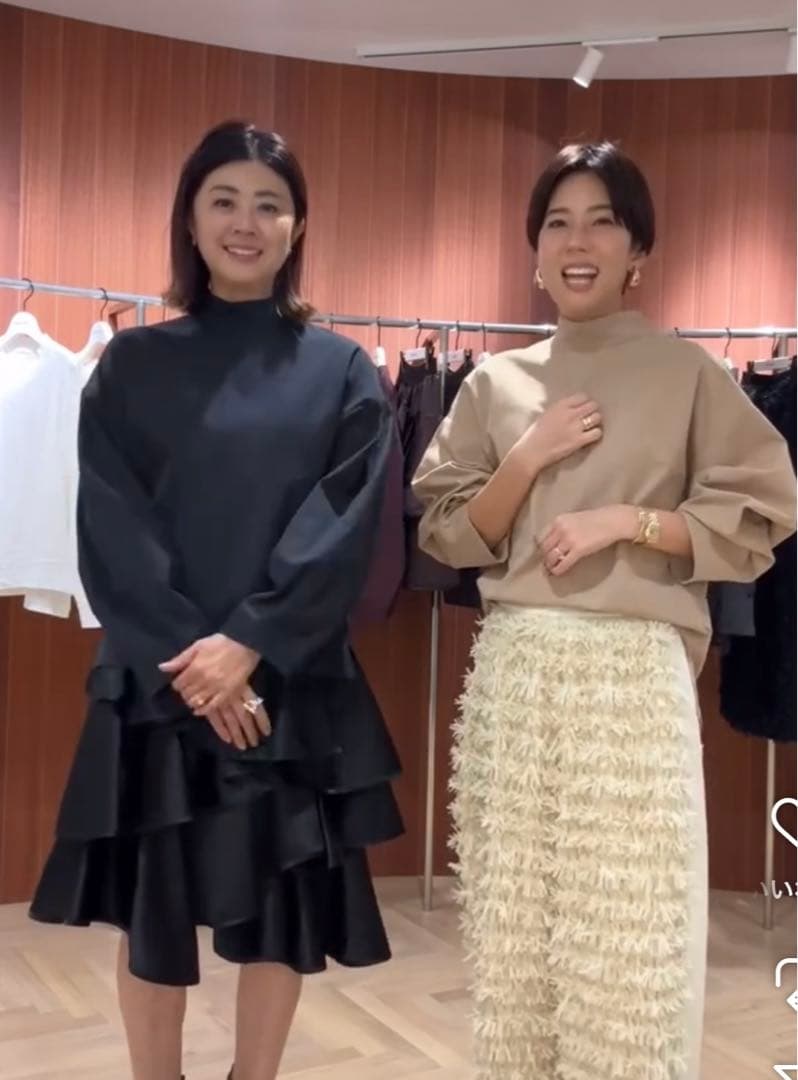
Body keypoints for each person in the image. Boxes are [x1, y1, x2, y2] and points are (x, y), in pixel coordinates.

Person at [411, 141, 797, 1080]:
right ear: (535, 250)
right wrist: (528, 456)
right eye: (557, 223)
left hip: (631, 677)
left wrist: (627, 522)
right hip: (516, 674)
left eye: (602, 222)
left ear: (639, 251)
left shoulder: (687, 373)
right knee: (517, 937)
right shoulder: (495, 383)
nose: (576, 243)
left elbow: (763, 508)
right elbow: (449, 532)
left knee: (630, 941)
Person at [29, 121, 404, 1080]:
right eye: (224, 201)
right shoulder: (130, 365)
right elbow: (111, 526)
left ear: (297, 227)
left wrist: (250, 643)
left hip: (285, 677)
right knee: (152, 900)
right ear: (190, 222)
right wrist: (201, 664)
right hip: (161, 676)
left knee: (281, 902)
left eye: (268, 205)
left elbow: (344, 521)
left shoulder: (342, 370)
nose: (246, 222)